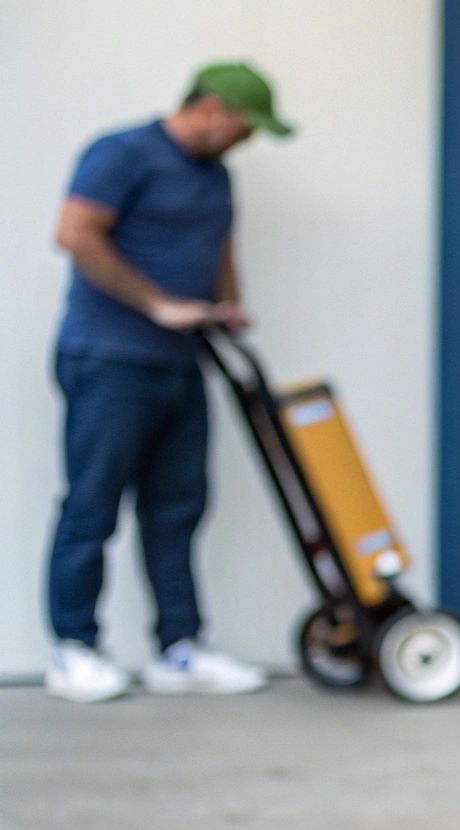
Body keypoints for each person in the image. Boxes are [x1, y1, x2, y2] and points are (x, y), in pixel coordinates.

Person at [44, 62, 295, 703]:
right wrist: (156, 304)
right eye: (244, 125)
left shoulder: (217, 177)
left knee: (178, 509)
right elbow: (76, 234)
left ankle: (178, 650)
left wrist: (228, 304)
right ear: (210, 108)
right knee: (92, 507)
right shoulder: (120, 153)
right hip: (109, 359)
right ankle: (74, 650)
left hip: (183, 363)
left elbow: (219, 249)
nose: (248, 139)